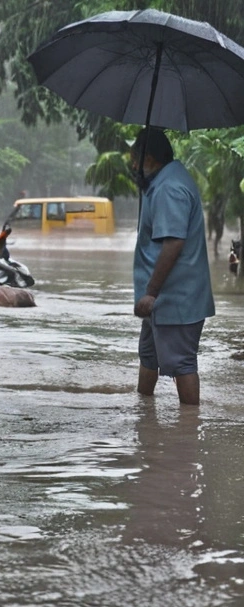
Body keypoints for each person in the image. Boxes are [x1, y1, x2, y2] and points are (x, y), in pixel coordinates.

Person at [130, 127, 214, 406]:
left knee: (182, 365)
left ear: (149, 158)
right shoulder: (164, 183)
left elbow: (173, 243)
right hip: (162, 301)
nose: (132, 166)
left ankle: (188, 433)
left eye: (134, 159)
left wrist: (151, 293)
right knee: (148, 356)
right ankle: (144, 416)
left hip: (172, 299)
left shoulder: (169, 188)